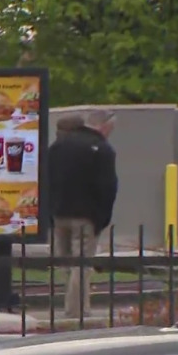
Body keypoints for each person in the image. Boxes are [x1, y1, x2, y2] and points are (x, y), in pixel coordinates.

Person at [47, 109, 118, 319]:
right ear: (104, 126)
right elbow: (107, 188)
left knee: (66, 261)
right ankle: (76, 310)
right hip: (86, 216)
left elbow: (47, 179)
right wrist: (101, 219)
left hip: (59, 213)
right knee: (82, 263)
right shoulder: (102, 149)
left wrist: (51, 211)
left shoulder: (58, 147)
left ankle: (72, 302)